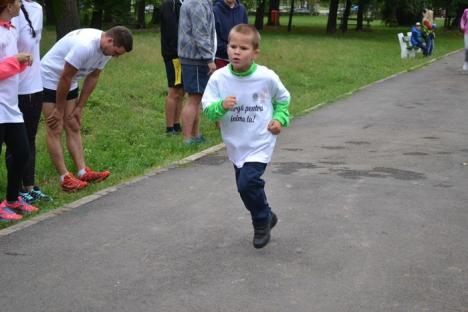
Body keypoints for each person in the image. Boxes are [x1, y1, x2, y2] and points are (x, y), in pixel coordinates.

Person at [202, 24, 291, 249]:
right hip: (235, 144)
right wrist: (221, 106)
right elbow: (207, 109)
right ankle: (267, 215)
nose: (236, 52)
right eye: (232, 46)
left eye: (243, 48)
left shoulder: (266, 77)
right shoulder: (218, 78)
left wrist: (280, 120)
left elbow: (283, 99)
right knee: (244, 188)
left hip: (260, 141)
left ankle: (261, 222)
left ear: (255, 52)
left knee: (248, 183)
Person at [41, 26, 133, 192]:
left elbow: (93, 76)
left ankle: (82, 172)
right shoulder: (84, 46)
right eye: (116, 53)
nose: (116, 57)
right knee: (55, 127)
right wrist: (59, 109)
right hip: (50, 77)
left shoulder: (107, 50)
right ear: (110, 40)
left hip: (70, 81)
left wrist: (79, 107)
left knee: (73, 124)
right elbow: (65, 76)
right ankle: (65, 178)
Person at [8, 0, 51, 204]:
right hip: (13, 88)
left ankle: (29, 186)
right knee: (15, 143)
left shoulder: (37, 9)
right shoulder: (9, 7)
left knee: (30, 139)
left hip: (35, 86)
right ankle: (14, 191)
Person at [0, 0, 39, 221]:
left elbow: (9, 66)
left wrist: (22, 62)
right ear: (7, 6)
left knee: (22, 152)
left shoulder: (11, 30)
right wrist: (16, 60)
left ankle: (12, 199)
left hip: (10, 105)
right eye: (16, 2)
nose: (19, 6)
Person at [178, 0, 216, 144]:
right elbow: (200, 33)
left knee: (197, 98)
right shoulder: (197, 3)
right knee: (193, 98)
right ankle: (187, 138)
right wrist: (208, 57)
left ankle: (196, 135)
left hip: (196, 56)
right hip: (195, 57)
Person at [160, 0, 184, 136]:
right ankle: (169, 127)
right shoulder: (170, 4)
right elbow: (172, 31)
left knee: (181, 91)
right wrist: (178, 51)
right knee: (174, 90)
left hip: (183, 54)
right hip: (174, 55)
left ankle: (177, 123)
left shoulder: (182, 3)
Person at [213, 0, 248, 69]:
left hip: (240, 60)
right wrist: (233, 51)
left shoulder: (242, 10)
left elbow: (246, 34)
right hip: (220, 60)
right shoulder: (214, 11)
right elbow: (214, 40)